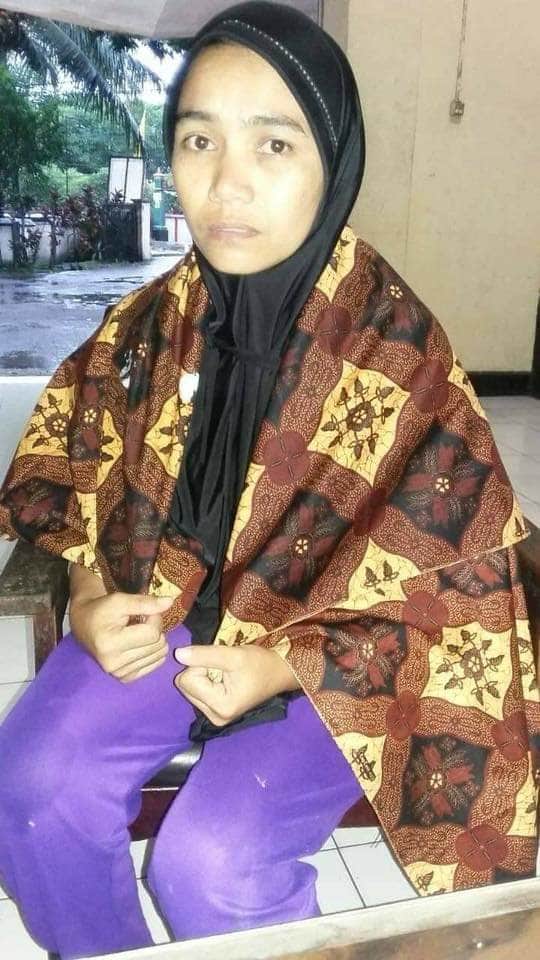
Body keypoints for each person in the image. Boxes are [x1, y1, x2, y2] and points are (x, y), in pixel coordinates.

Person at [0, 3, 538, 959]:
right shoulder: (145, 327)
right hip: (172, 616)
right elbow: (80, 478)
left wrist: (280, 666)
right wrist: (87, 598)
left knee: (210, 866)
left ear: (335, 162)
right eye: (198, 138)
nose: (228, 182)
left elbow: (457, 594)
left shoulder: (398, 357)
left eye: (275, 144)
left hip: (341, 664)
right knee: (33, 788)